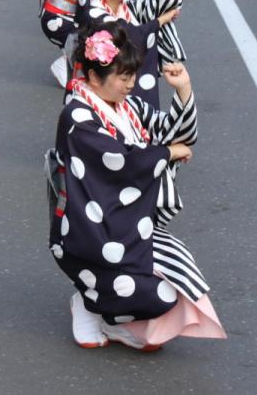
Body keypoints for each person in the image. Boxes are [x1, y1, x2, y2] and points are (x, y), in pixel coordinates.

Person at [47, 24, 224, 350]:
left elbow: (175, 134)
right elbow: (119, 163)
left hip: (124, 226)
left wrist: (183, 89)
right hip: (88, 233)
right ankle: (88, 303)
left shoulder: (127, 108)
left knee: (173, 288)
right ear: (93, 76)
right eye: (123, 77)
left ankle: (110, 320)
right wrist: (167, 153)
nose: (131, 85)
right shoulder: (77, 114)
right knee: (151, 293)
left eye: (132, 76)